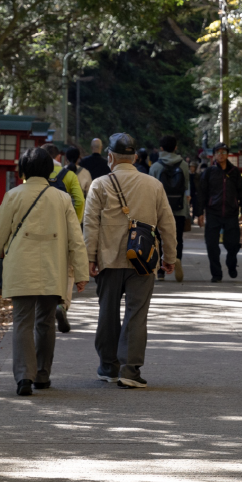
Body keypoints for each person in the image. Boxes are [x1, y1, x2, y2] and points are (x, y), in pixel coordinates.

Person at [0, 147, 89, 396]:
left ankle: (23, 378)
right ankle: (42, 374)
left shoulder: (12, 196)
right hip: (53, 267)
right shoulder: (62, 198)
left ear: (24, 170)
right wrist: (81, 273)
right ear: (48, 169)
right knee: (45, 322)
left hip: (20, 267)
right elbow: (76, 238)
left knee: (22, 321)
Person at [81, 133, 177, 388]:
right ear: (135, 157)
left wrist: (89, 258)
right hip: (144, 259)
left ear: (110, 156)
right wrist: (170, 256)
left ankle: (108, 366)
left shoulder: (99, 185)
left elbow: (90, 224)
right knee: (137, 313)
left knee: (107, 312)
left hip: (108, 259)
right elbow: (168, 223)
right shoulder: (153, 185)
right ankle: (130, 370)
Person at [52, 145, 89, 332]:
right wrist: (75, 221)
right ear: (59, 156)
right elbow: (80, 200)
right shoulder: (68, 175)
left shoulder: (35, 173)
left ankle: (44, 305)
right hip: (65, 227)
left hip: (41, 229)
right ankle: (62, 304)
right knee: (67, 269)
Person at [201, 145, 242, 281]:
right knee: (211, 244)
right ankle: (216, 273)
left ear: (227, 155)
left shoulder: (234, 172)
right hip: (213, 212)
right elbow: (202, 193)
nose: (221, 155)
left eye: (223, 152)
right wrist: (199, 213)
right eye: (218, 153)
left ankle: (231, 263)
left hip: (231, 213)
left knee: (232, 244)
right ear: (214, 155)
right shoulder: (209, 172)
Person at [148, 135, 190, 282]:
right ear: (175, 147)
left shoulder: (155, 167)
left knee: (158, 238)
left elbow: (150, 190)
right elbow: (186, 188)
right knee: (178, 237)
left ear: (161, 148)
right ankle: (176, 259)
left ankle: (160, 271)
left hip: (159, 209)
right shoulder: (183, 165)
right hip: (179, 208)